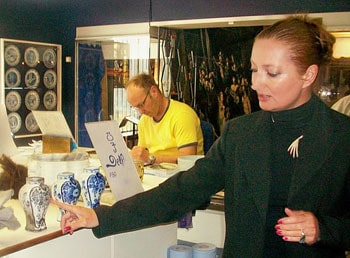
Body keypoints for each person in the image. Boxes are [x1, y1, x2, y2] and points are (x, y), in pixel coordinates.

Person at [53, 16, 350, 257]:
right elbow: (181, 191)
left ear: (308, 75)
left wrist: (323, 229)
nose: (256, 83)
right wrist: (102, 217)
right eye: (255, 70)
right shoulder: (241, 134)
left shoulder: (342, 137)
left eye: (272, 73)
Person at [125, 73, 204, 165]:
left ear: (154, 91)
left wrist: (151, 158)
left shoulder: (182, 115)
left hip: (183, 174)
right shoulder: (144, 120)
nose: (141, 111)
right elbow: (142, 155)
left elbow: (189, 157)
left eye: (141, 104)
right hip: (156, 173)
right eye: (136, 107)